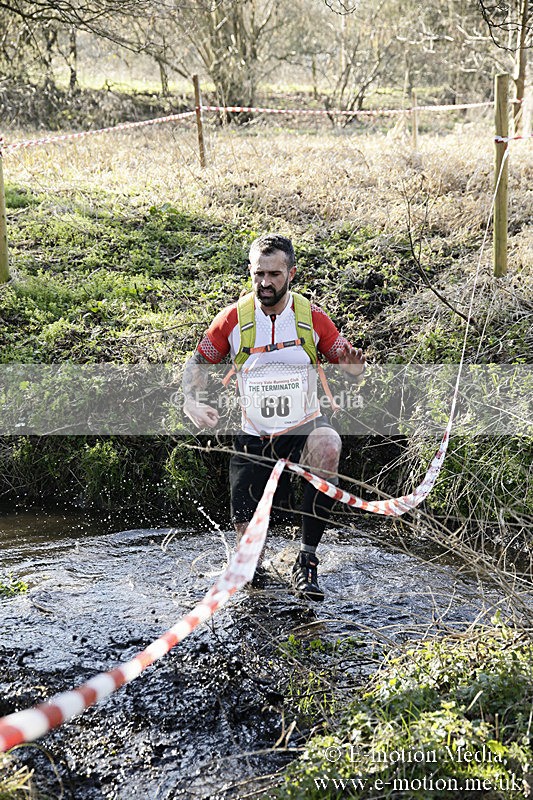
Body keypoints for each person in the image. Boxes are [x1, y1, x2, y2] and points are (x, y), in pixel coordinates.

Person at [182, 233, 366, 601]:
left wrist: (354, 368)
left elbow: (349, 365)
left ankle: (307, 560)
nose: (265, 283)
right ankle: (255, 569)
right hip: (255, 435)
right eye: (258, 274)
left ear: (291, 274)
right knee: (249, 571)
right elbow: (198, 362)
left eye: (274, 274)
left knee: (329, 444)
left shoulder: (311, 318)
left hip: (304, 427)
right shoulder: (233, 318)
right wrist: (190, 401)